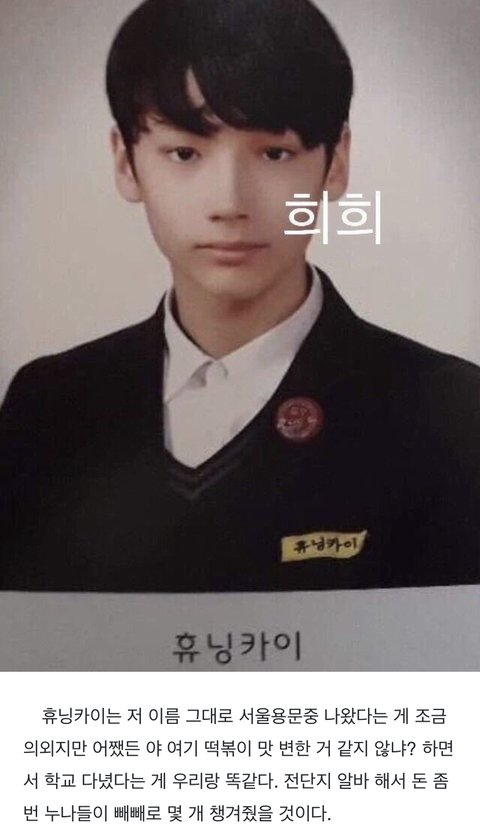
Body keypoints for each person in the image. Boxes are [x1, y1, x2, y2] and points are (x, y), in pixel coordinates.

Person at [1, 0, 479, 593]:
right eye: (185, 153)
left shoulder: (447, 411)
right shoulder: (47, 408)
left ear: (335, 165)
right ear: (126, 163)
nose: (230, 202)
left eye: (275, 153)